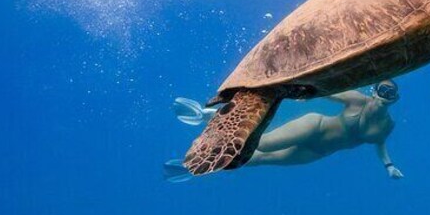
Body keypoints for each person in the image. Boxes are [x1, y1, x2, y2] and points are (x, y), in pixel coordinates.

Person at [164, 81, 404, 182]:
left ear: (395, 99)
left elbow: (379, 143)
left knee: (257, 160)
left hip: (319, 151)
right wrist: (298, 90)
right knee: (262, 144)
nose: (385, 96)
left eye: (390, 93)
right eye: (382, 90)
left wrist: (389, 166)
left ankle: (193, 167)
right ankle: (216, 117)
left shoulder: (387, 126)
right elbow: (325, 90)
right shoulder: (357, 100)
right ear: (374, 91)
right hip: (314, 127)